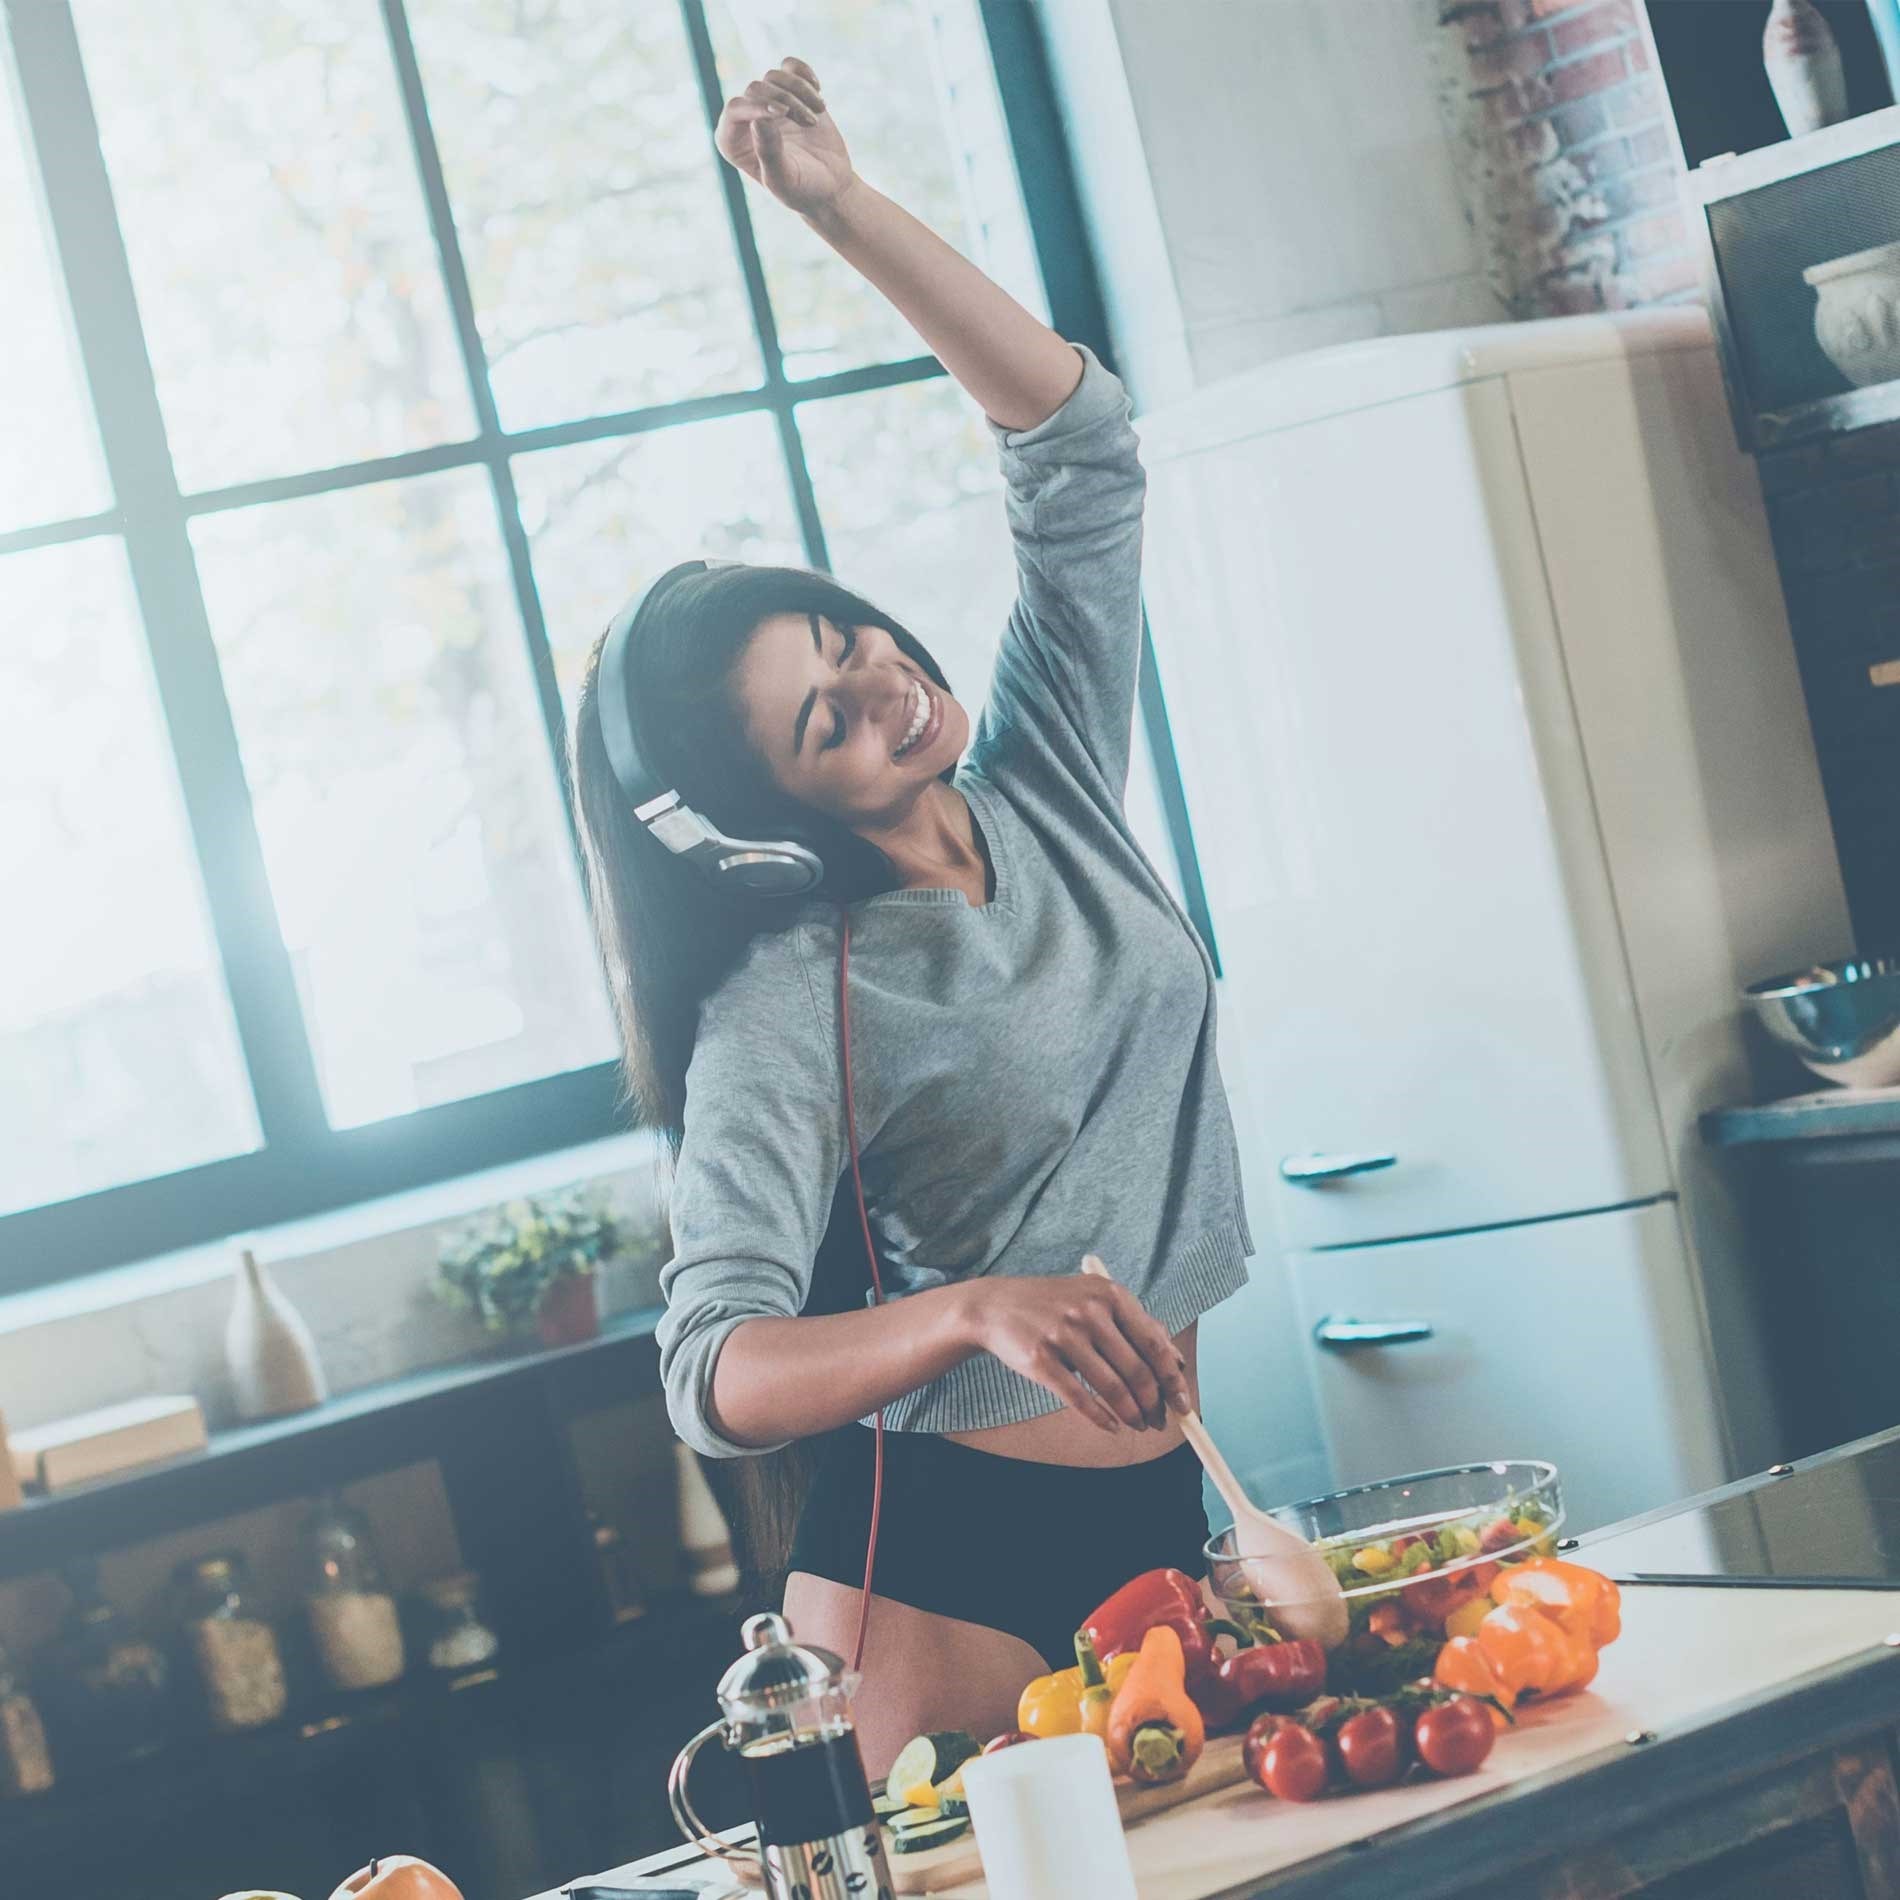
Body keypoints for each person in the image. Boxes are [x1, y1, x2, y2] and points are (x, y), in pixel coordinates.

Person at [570, 56, 1252, 1770]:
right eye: (823, 721)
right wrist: (970, 1308)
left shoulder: (1051, 790)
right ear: (764, 832)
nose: (882, 684)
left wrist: (835, 208)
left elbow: (1080, 452)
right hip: (941, 1582)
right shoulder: (793, 999)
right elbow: (711, 1368)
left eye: (848, 636)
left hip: (1177, 1508)